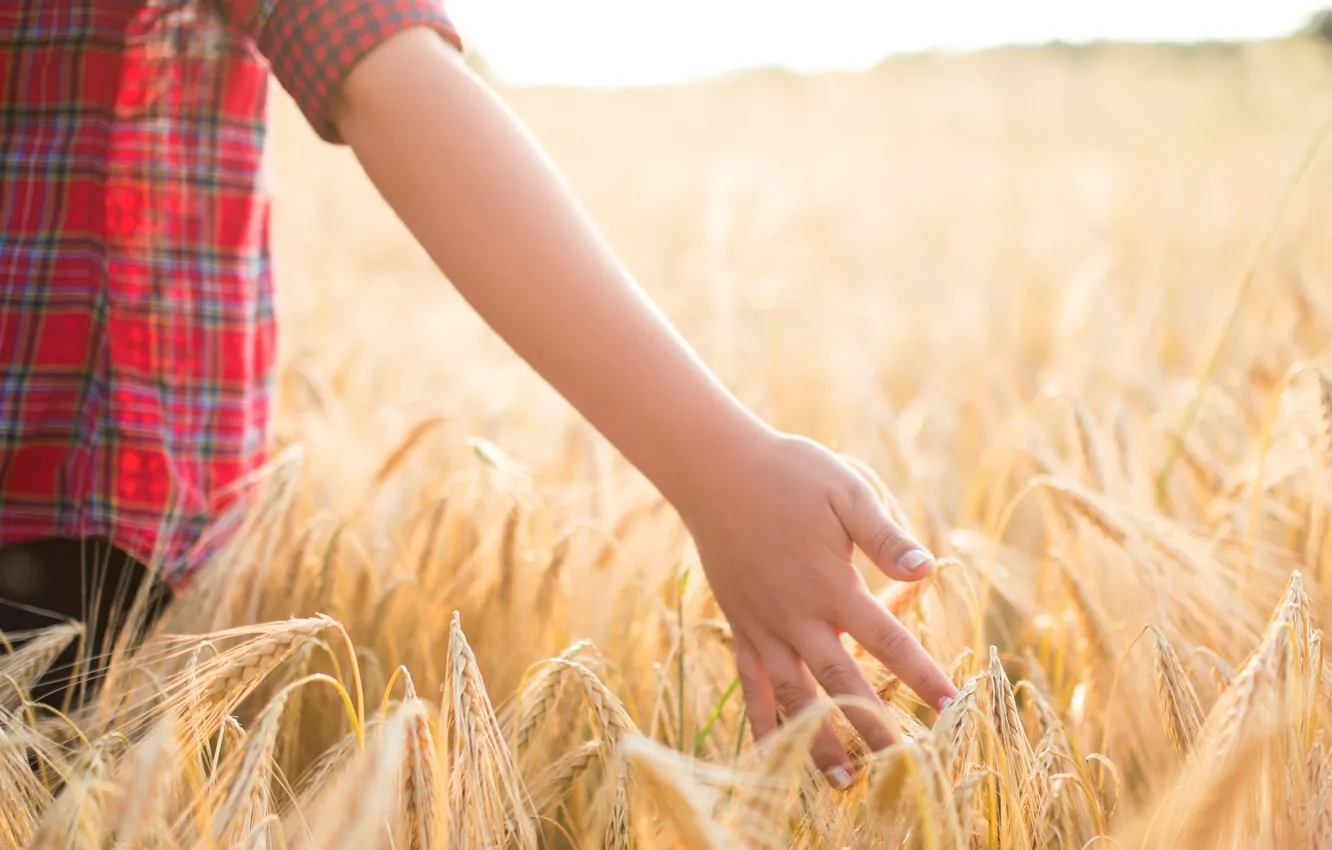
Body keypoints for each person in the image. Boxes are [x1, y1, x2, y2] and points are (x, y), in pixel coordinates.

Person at [0, 0, 958, 786]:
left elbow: (376, 63)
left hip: (67, 507)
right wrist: (724, 468)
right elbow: (377, 65)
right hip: (74, 509)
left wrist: (726, 468)